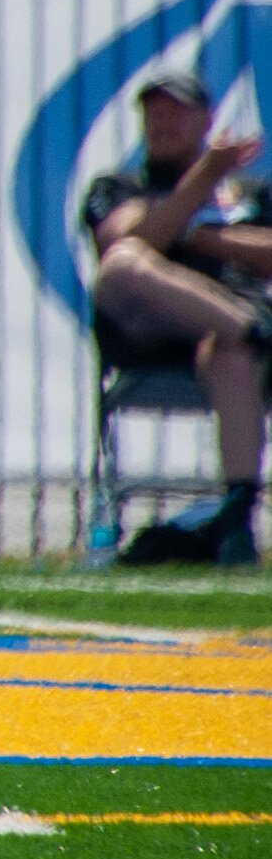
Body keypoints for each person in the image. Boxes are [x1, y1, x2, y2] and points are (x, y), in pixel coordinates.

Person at [77, 65, 265, 565]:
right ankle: (255, 329)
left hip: (220, 341)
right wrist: (203, 181)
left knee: (231, 353)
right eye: (153, 113)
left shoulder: (246, 196)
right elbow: (123, 243)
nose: (162, 123)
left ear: (205, 119)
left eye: (176, 113)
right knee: (123, 264)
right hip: (148, 330)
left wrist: (195, 234)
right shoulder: (119, 186)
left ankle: (236, 517)